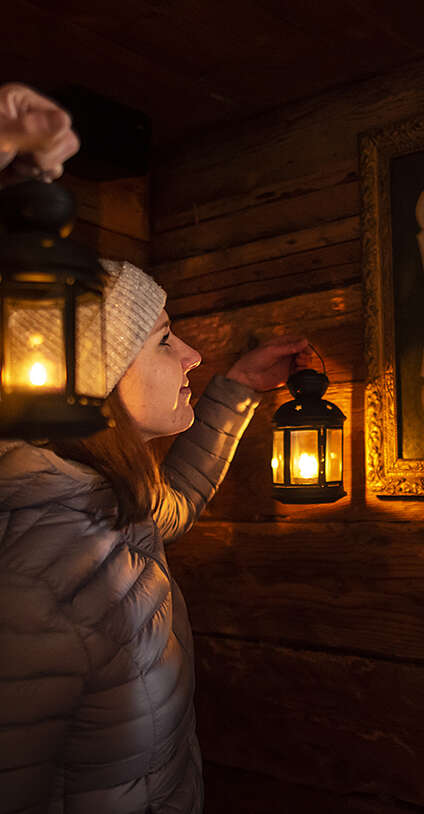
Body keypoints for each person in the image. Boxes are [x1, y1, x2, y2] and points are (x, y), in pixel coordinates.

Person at [0, 84, 310, 813]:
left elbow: (180, 503)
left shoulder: (109, 498)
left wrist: (236, 389)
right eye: (165, 339)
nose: (192, 355)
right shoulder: (43, 580)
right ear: (99, 377)